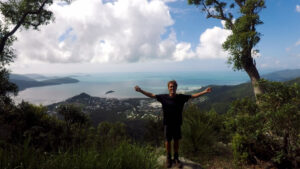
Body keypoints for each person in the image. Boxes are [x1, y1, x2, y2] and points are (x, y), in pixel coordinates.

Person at [134, 80, 211, 168]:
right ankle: (168, 158)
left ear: (176, 88)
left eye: (173, 86)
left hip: (177, 123)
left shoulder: (181, 97)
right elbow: (152, 95)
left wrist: (205, 91)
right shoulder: (163, 97)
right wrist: (141, 91)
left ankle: (176, 158)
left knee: (176, 141)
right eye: (170, 86)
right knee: (168, 141)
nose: (172, 88)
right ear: (168, 88)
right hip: (167, 123)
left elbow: (193, 96)